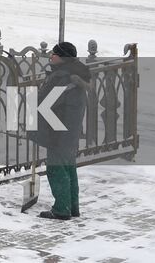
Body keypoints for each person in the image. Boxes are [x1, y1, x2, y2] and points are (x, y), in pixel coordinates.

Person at [34, 41, 91, 220]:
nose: (51, 56)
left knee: (56, 169)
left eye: (54, 54)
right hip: (70, 130)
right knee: (68, 168)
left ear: (62, 57)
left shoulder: (63, 78)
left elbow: (45, 102)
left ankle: (61, 209)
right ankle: (72, 207)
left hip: (58, 130)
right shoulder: (76, 75)